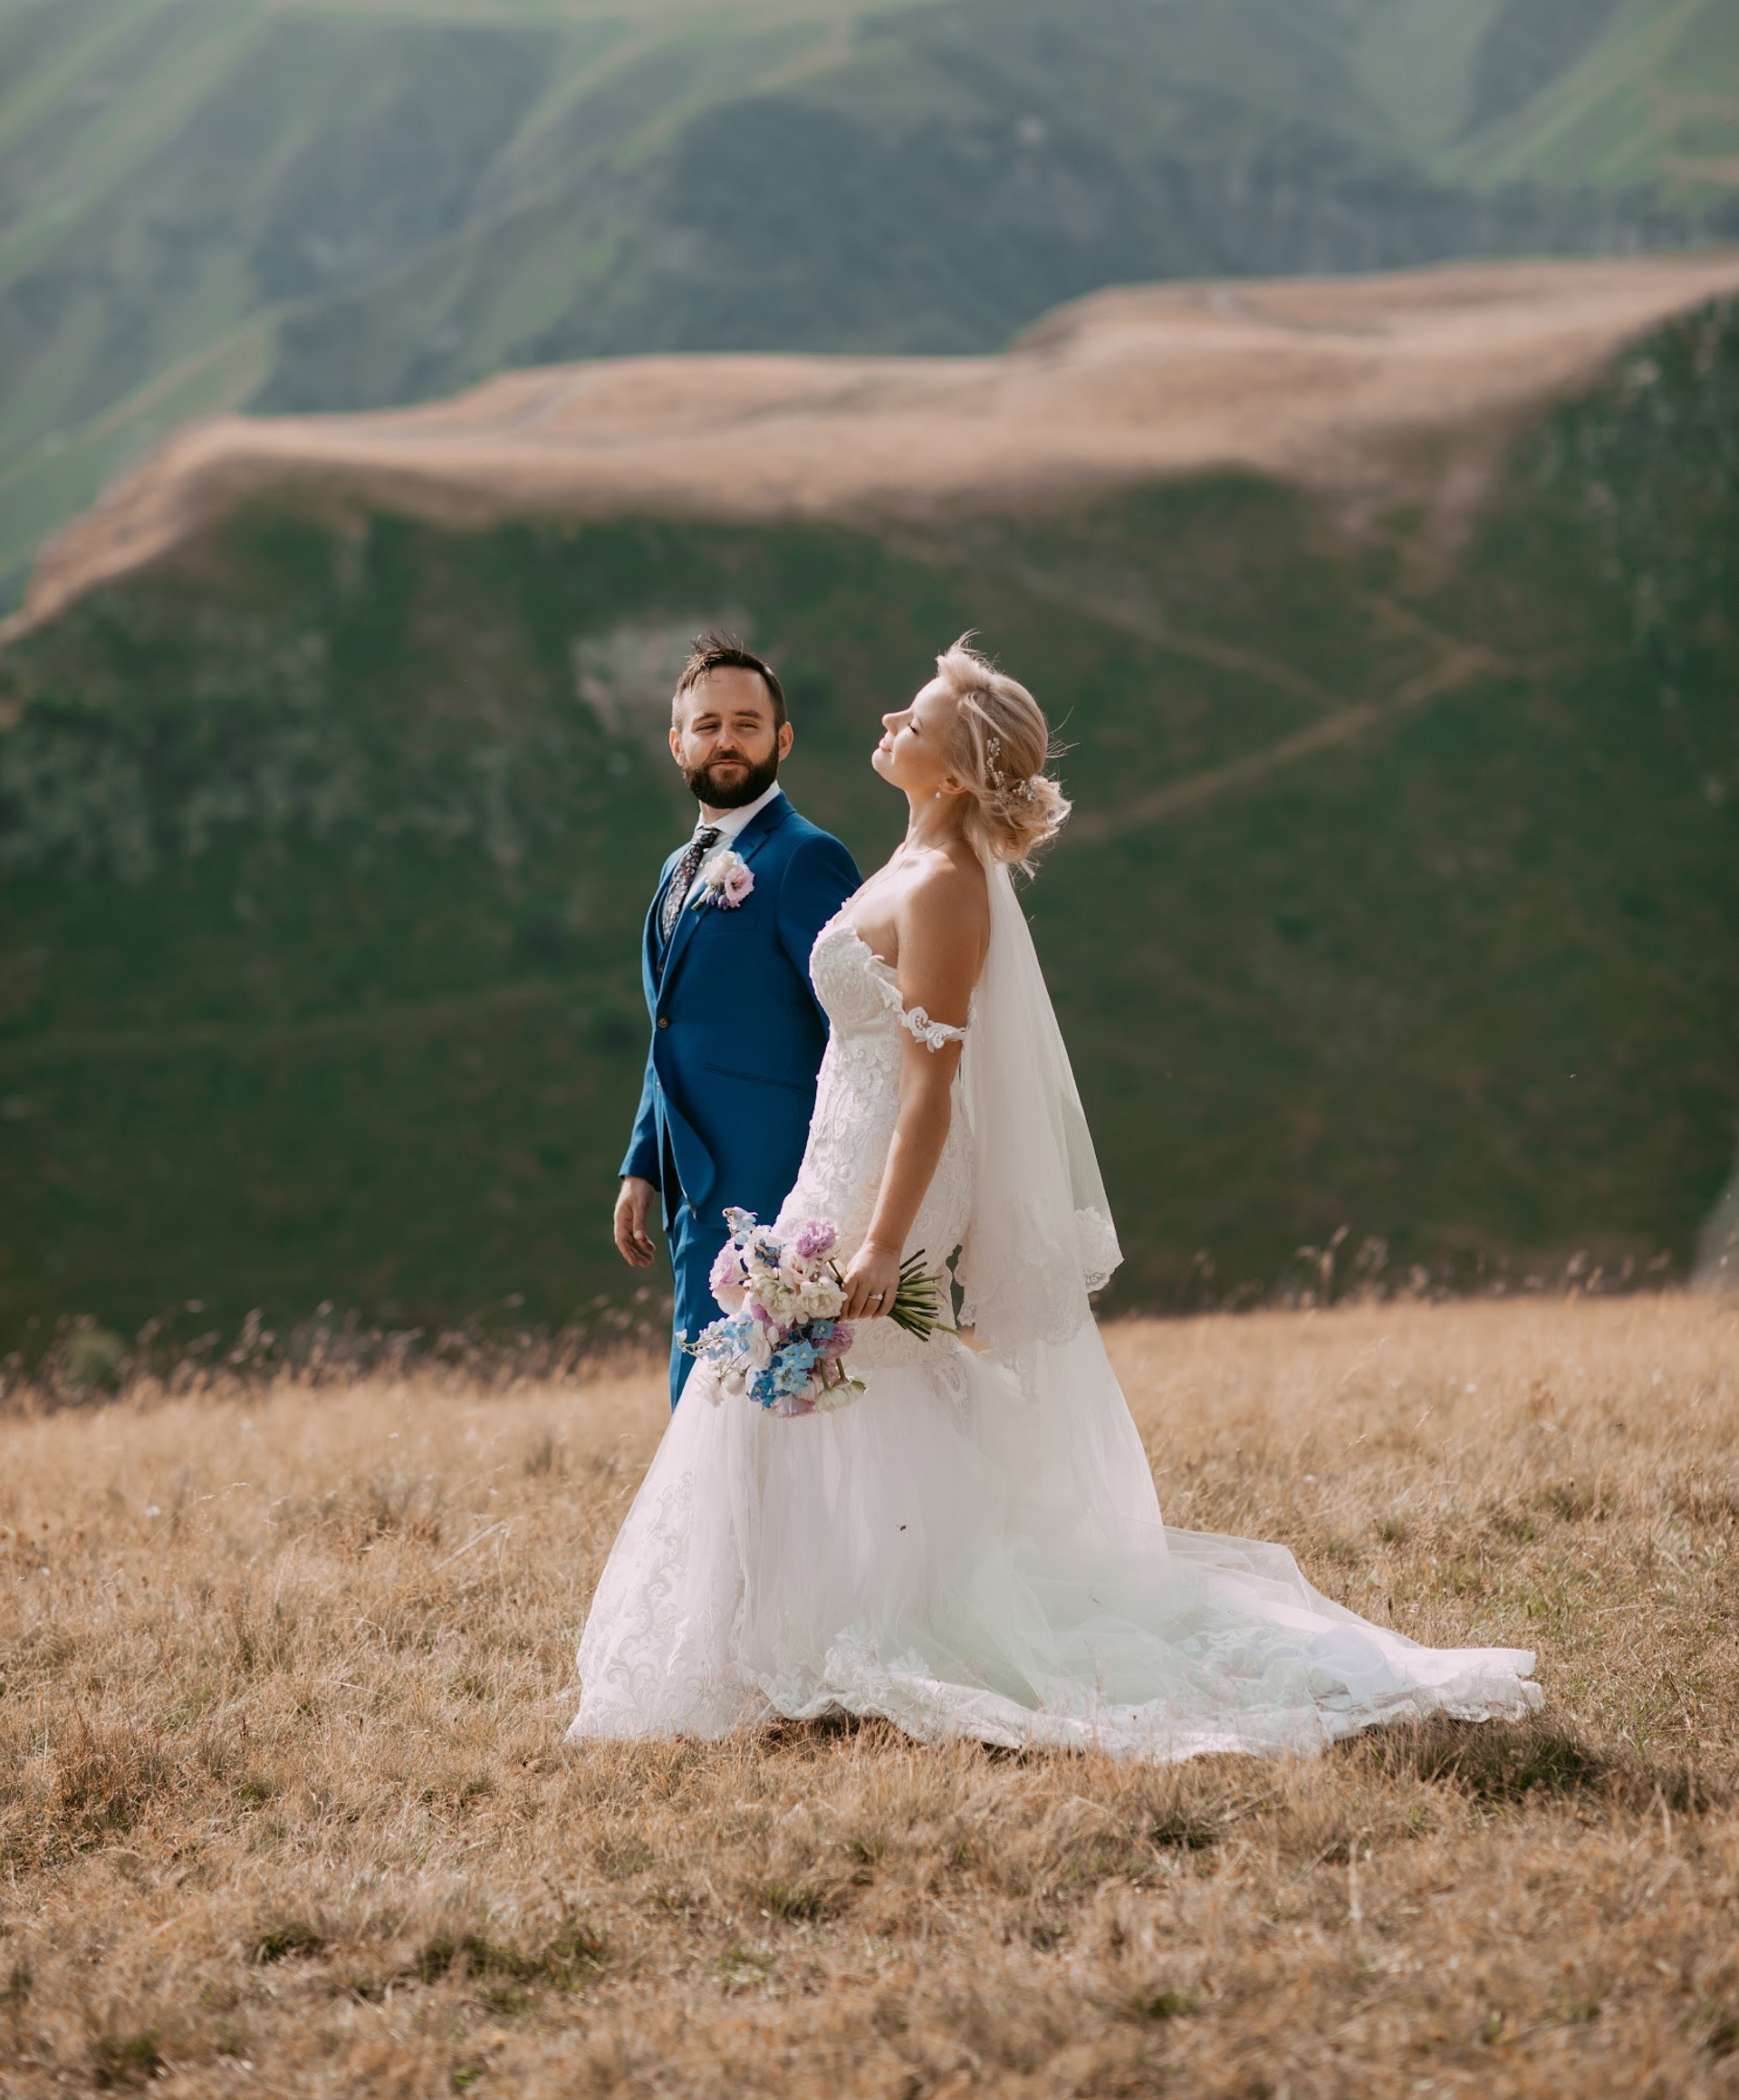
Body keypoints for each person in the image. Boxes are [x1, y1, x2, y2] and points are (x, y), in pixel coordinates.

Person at [574, 638, 1542, 1757]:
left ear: (949, 768)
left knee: (818, 1387)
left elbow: (934, 1089)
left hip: (886, 1180)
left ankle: (846, 1635)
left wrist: (886, 1242)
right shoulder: (900, 862)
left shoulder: (940, 887)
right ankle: (798, 1634)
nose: (890, 715)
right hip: (834, 1158)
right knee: (811, 1397)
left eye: (917, 717)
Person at [616, 631, 859, 1408]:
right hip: (695, 1187)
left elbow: (854, 1029)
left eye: (747, 723)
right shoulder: (674, 868)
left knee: (753, 1406)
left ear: (781, 738)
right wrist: (642, 1165)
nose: (727, 739)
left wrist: (835, 1181)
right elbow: (673, 1028)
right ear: (677, 741)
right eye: (709, 723)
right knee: (705, 1401)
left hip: (778, 1191)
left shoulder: (803, 858)